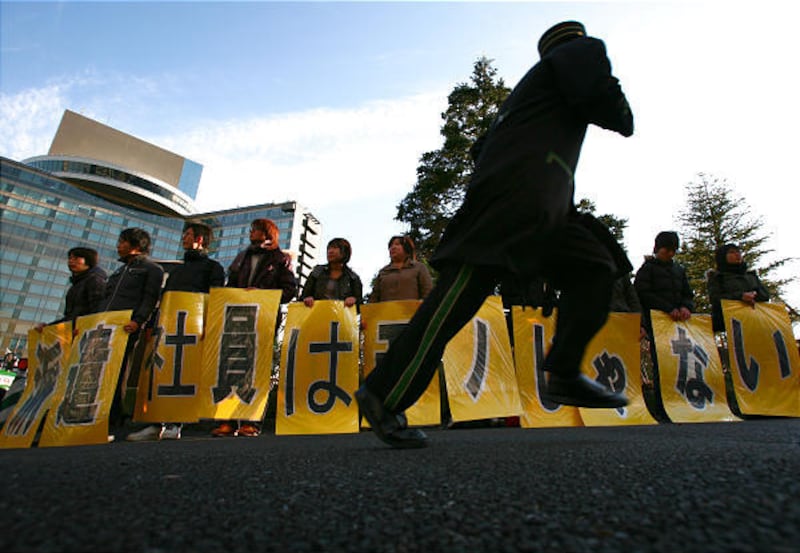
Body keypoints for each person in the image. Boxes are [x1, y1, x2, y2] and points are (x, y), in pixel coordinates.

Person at [356, 21, 634, 449]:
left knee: (595, 267)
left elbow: (479, 149)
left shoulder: (527, 95)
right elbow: (609, 106)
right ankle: (383, 394)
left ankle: (562, 370)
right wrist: (617, 102)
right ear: (573, 44)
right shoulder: (580, 52)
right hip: (516, 201)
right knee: (454, 301)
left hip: (540, 202)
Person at [127, 222, 225, 441]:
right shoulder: (177, 271)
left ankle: (176, 423)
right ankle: (154, 423)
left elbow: (216, 297)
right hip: (167, 328)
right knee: (160, 373)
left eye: (188, 235)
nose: (184, 238)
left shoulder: (213, 268)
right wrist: (153, 323)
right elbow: (165, 299)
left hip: (193, 329)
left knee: (185, 373)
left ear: (199, 239)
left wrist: (209, 325)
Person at [211, 218, 297, 437]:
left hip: (263, 319)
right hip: (237, 317)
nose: (251, 233)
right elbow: (230, 286)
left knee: (258, 368)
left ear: (267, 233)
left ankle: (252, 421)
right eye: (251, 230)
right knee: (232, 365)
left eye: (256, 230)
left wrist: (260, 294)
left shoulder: (280, 259)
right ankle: (227, 420)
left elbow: (289, 290)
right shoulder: (242, 257)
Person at [97, 228, 165, 437]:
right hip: (104, 327)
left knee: (118, 372)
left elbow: (150, 298)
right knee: (100, 371)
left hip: (126, 327)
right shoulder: (119, 272)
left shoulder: (151, 269)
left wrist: (138, 320)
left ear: (135, 244)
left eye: (123, 242)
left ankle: (114, 418)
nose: (119, 246)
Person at [634, 231, 694, 422]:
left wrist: (686, 307)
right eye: (667, 249)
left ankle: (684, 403)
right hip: (657, 323)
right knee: (661, 365)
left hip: (679, 327)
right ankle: (662, 408)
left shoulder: (679, 270)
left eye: (673, 250)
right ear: (658, 248)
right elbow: (642, 294)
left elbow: (688, 293)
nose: (670, 254)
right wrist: (667, 309)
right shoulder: (647, 269)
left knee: (681, 365)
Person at [35, 247, 107, 331]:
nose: (71, 261)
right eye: (70, 258)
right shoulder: (76, 285)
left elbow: (98, 310)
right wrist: (49, 327)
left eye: (76, 258)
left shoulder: (95, 280)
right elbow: (70, 318)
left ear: (88, 261)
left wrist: (85, 328)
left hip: (84, 333)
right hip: (73, 332)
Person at [706, 243, 770, 333]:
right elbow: (715, 299)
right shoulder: (717, 277)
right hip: (730, 325)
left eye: (738, 252)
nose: (737, 255)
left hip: (756, 321)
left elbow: (765, 295)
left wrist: (754, 296)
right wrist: (740, 296)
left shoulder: (751, 276)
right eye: (732, 252)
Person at [301, 237, 363, 309]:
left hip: (341, 318)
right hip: (316, 315)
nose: (330, 251)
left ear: (345, 252)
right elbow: (303, 297)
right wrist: (307, 299)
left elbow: (360, 307)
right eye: (329, 248)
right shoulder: (317, 273)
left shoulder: (353, 278)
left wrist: (354, 301)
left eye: (335, 248)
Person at [369, 235, 433, 303]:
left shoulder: (419, 267)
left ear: (406, 248)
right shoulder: (383, 272)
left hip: (414, 312)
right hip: (387, 312)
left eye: (397, 244)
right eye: (390, 246)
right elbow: (374, 297)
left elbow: (428, 292)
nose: (393, 248)